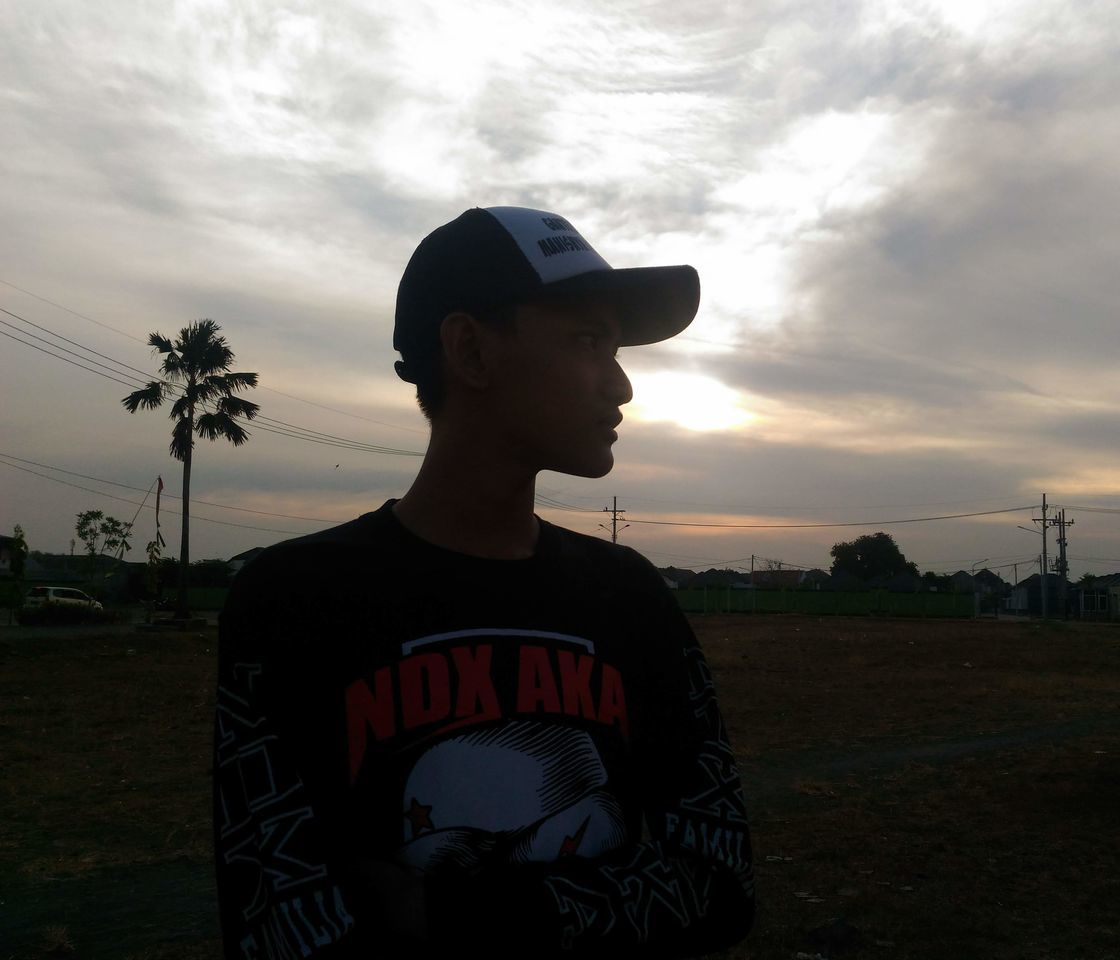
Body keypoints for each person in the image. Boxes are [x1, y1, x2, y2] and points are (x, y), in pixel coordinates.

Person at [213, 206, 755, 958]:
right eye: (589, 340)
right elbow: (279, 916)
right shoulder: (295, 601)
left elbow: (719, 885)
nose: (622, 385)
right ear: (470, 350)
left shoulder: (631, 596)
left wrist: (446, 915)